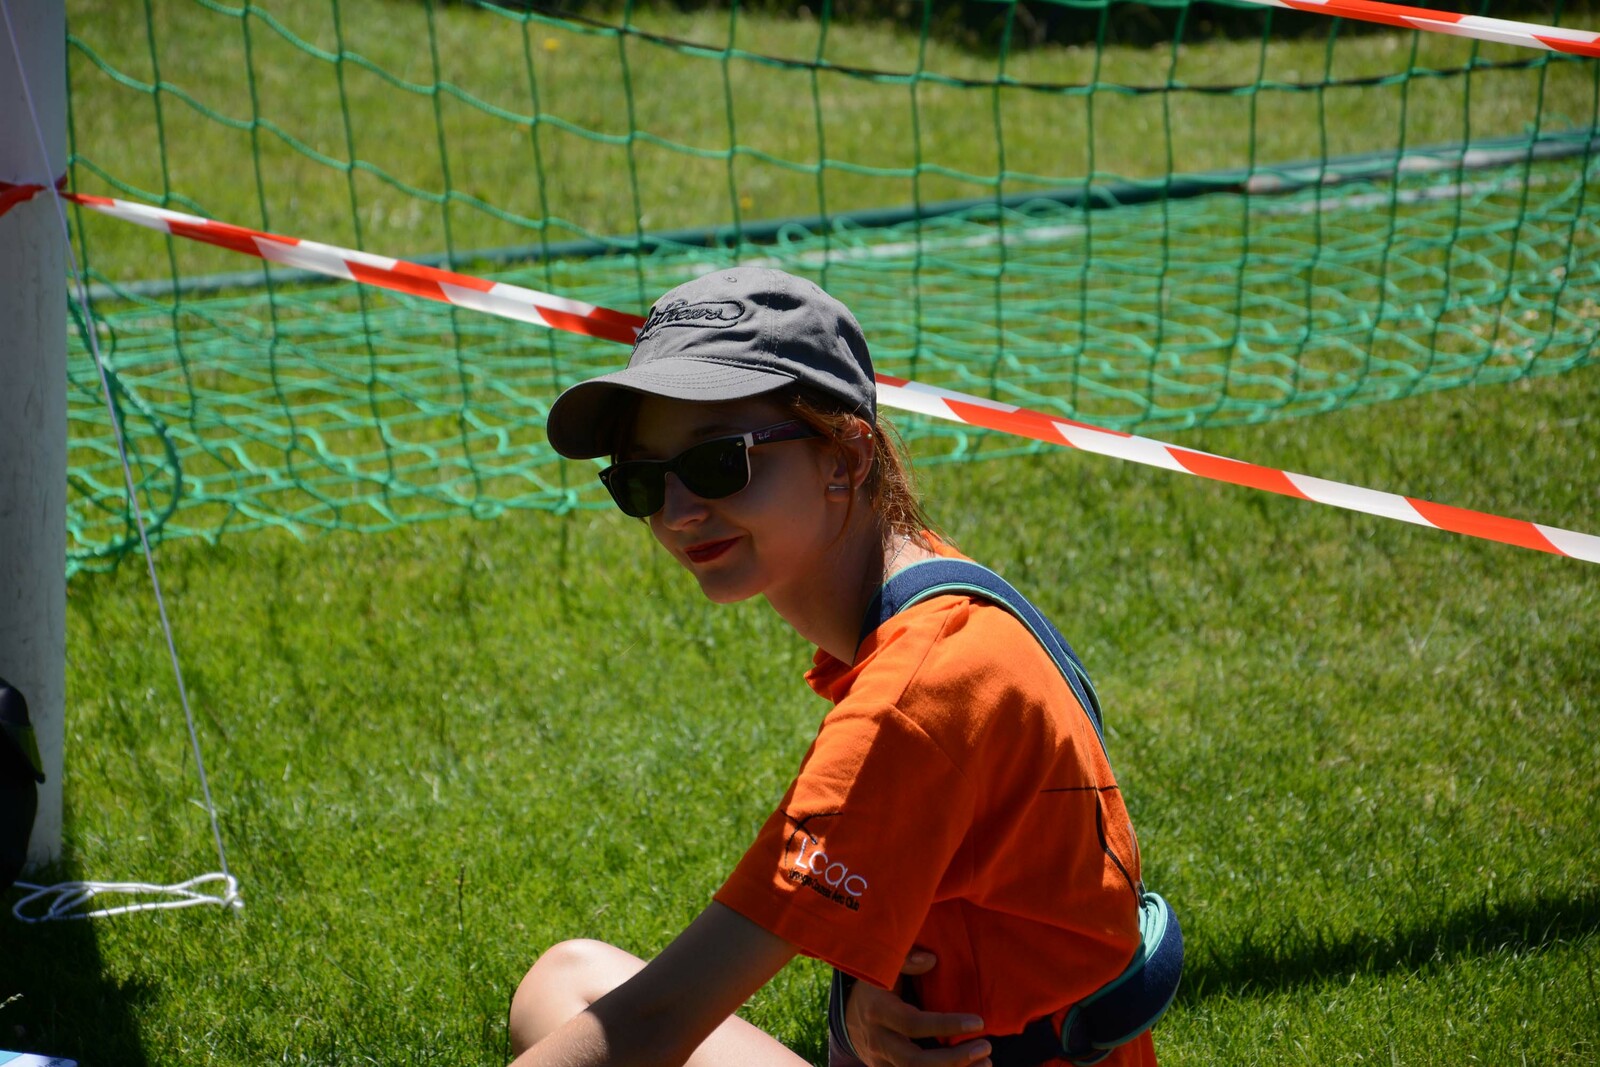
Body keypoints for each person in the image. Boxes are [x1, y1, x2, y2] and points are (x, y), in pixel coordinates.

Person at [509, 267, 1162, 1067]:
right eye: (641, 480)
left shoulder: (916, 692)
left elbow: (657, 1019)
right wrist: (858, 1005)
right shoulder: (945, 596)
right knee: (566, 976)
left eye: (718, 462)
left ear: (846, 457)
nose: (678, 511)